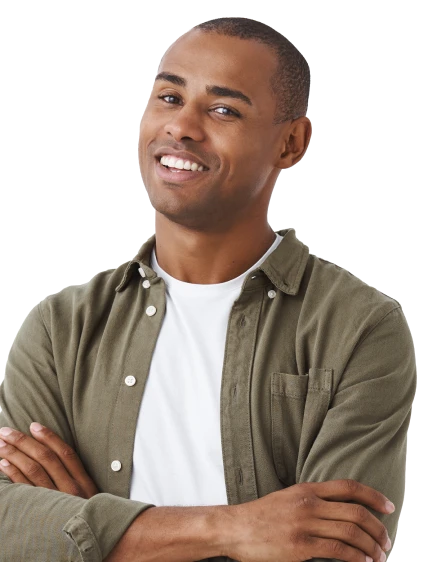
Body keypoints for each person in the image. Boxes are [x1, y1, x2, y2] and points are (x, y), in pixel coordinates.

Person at [0, 17, 415, 562]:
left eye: (224, 110)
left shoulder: (359, 329)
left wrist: (91, 531)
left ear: (291, 142)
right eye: (170, 97)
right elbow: (7, 525)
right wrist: (235, 529)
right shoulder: (61, 330)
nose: (182, 126)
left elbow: (337, 549)